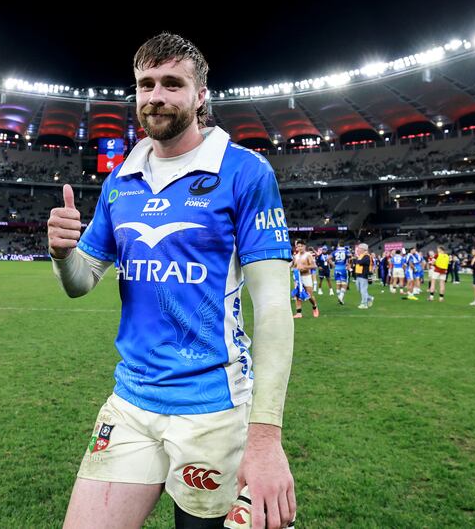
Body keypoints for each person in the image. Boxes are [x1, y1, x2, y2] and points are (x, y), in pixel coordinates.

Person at [47, 32, 296, 529]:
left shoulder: (244, 171)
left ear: (200, 95)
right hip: (132, 400)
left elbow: (272, 306)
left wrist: (265, 438)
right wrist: (61, 254)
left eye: (172, 83)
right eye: (145, 84)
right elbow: (81, 281)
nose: (156, 96)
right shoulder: (122, 178)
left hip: (214, 409)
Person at [292, 240, 319, 318]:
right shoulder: (296, 256)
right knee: (297, 295)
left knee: (309, 295)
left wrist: (305, 267)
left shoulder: (308, 255)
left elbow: (314, 266)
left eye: (301, 246)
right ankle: (299, 313)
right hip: (298, 278)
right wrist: (293, 269)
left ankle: (315, 307)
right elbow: (294, 265)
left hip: (306, 276)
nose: (300, 248)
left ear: (304, 246)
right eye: (298, 246)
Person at [354, 243, 374, 309]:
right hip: (358, 275)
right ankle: (369, 298)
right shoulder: (361, 255)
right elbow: (357, 262)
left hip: (363, 275)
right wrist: (357, 260)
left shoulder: (367, 256)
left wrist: (356, 260)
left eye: (359, 248)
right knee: (359, 289)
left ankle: (364, 304)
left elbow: (360, 262)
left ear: (363, 249)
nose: (358, 250)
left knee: (363, 290)